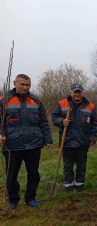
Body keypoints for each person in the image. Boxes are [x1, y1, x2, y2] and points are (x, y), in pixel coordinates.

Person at [0, 74, 52, 208]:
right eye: (22, 84)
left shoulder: (36, 101)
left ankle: (30, 198)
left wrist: (48, 139)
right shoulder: (4, 101)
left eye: (28, 85)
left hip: (33, 144)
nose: (25, 87)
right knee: (11, 175)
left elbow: (44, 122)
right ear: (14, 83)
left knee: (34, 173)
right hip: (12, 145)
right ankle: (13, 200)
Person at [52, 83, 97, 192]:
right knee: (68, 166)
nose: (77, 94)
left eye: (79, 92)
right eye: (75, 92)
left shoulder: (90, 106)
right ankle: (68, 185)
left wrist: (92, 138)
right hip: (67, 141)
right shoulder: (62, 103)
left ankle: (79, 185)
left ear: (82, 92)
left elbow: (94, 124)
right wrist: (61, 121)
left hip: (83, 142)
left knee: (81, 165)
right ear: (71, 92)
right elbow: (54, 117)